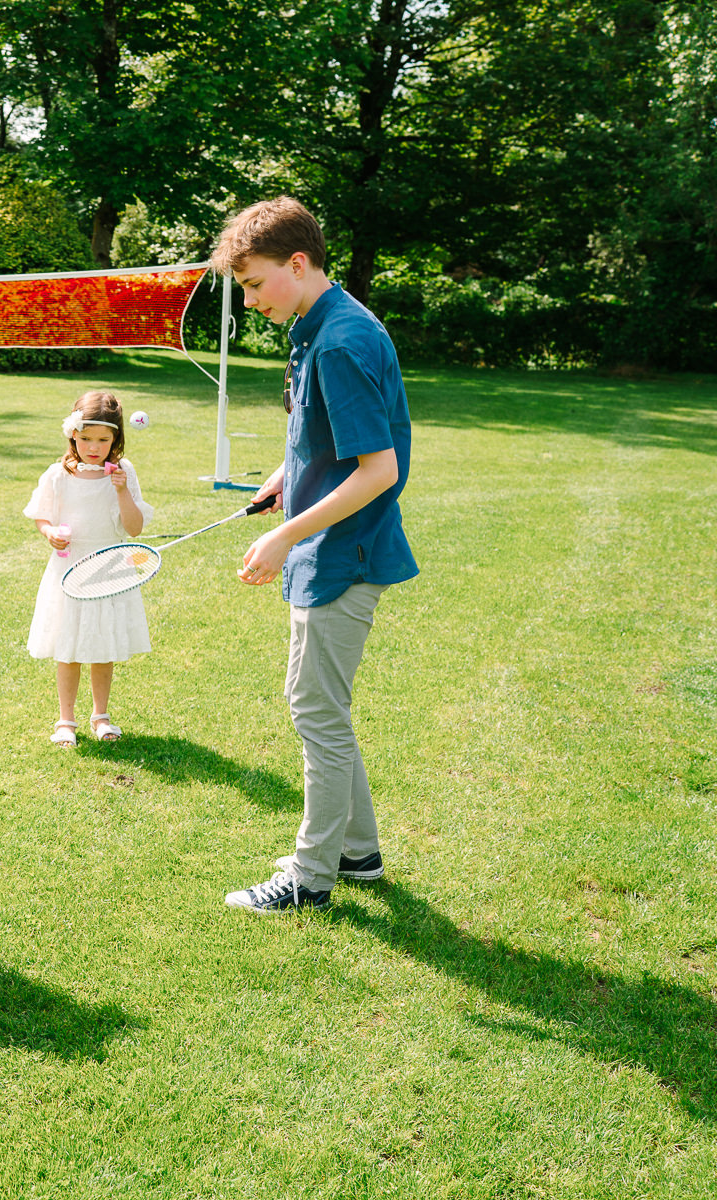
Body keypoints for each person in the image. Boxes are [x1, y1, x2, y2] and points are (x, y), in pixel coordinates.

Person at [213, 196, 419, 912]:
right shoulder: (317, 322)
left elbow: (378, 469)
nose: (250, 299)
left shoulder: (339, 341)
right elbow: (320, 438)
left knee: (315, 711)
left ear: (298, 264)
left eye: (256, 282)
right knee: (321, 705)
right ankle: (356, 853)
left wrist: (285, 533)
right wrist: (281, 484)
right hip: (326, 546)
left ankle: (310, 877)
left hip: (344, 553)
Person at [22, 390, 155, 746]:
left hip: (108, 568)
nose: (93, 447)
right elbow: (42, 515)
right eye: (85, 439)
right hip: (68, 569)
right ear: (72, 436)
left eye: (103, 439)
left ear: (116, 439)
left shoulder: (123, 473)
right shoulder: (58, 475)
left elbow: (134, 528)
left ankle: (101, 715)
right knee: (68, 645)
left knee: (102, 643)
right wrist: (50, 532)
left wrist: (123, 491)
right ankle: (66, 719)